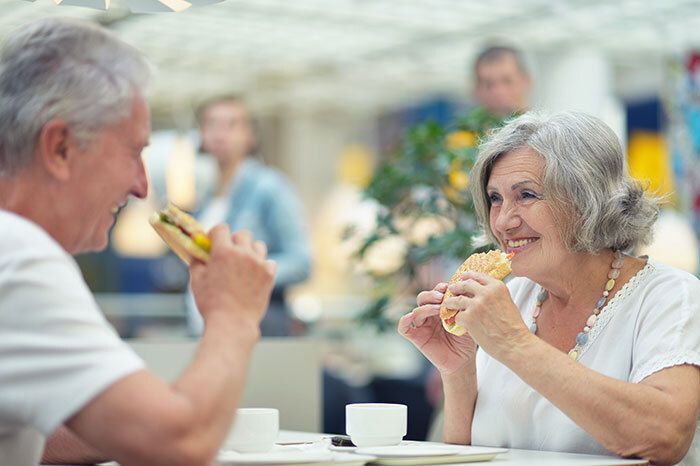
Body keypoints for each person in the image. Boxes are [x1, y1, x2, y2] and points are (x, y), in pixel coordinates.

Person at [0, 18, 275, 466]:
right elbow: (178, 445)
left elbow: (33, 435)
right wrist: (234, 313)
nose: (142, 188)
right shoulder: (20, 255)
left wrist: (137, 414)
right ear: (60, 148)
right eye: (133, 152)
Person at [399, 111, 700, 465]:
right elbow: (467, 455)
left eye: (526, 195)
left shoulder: (671, 296)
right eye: (495, 198)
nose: (503, 221)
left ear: (586, 200)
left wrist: (514, 343)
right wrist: (458, 369)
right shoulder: (513, 295)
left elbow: (663, 439)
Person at [186, 95, 311, 336]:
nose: (220, 133)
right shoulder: (203, 195)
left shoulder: (269, 187)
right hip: (206, 329)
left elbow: (301, 262)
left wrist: (245, 272)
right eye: (211, 124)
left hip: (256, 328)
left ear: (250, 136)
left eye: (231, 124)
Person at [472, 45, 531, 118]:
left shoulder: (544, 129)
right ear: (476, 89)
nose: (498, 91)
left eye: (507, 81)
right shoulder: (466, 129)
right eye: (488, 84)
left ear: (526, 81)